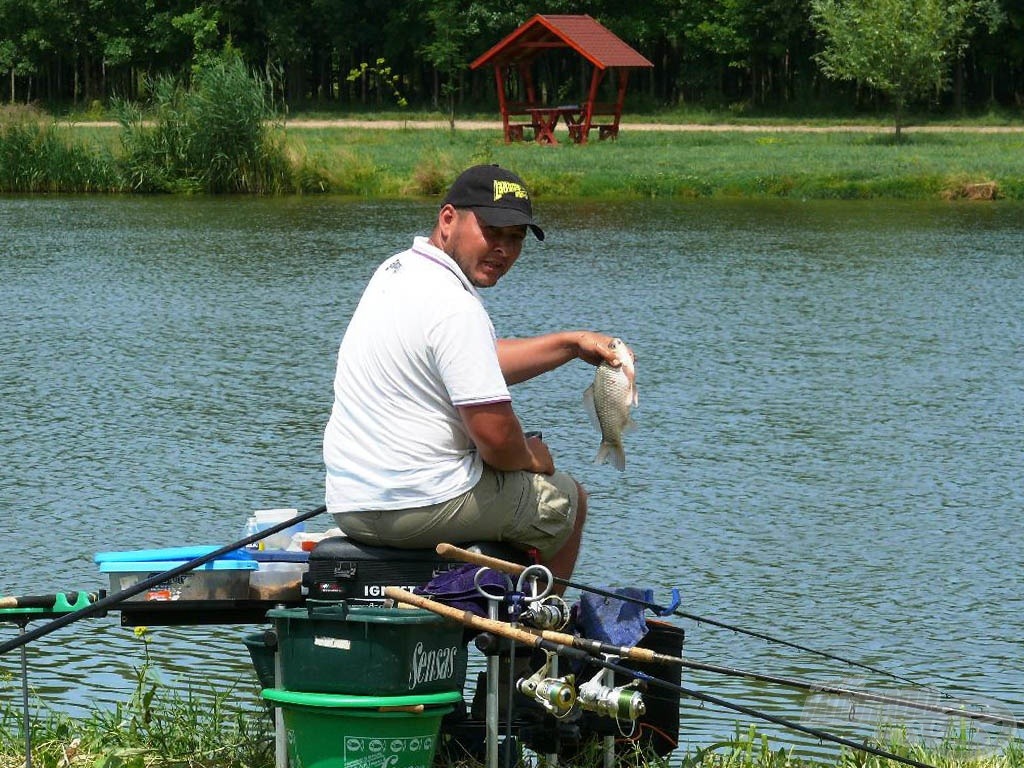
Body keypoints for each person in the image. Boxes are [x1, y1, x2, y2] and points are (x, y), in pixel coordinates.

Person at [322, 164, 626, 583]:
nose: (503, 249)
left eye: (515, 238)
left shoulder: (397, 271)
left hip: (351, 503)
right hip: (422, 504)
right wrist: (532, 456)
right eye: (492, 231)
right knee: (569, 502)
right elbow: (498, 442)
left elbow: (470, 361)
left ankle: (493, 606)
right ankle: (535, 636)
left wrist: (572, 345)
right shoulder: (454, 305)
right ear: (448, 219)